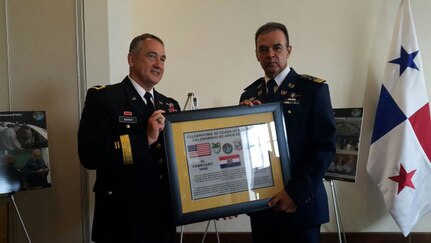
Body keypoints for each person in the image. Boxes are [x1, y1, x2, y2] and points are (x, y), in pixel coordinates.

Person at [78, 33, 180, 243]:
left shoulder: (170, 105)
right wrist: (145, 139)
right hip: (121, 220)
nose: (158, 64)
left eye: (162, 59)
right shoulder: (104, 98)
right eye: (151, 56)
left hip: (162, 221)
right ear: (131, 59)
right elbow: (90, 155)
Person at [239, 22, 336, 243]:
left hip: (301, 206)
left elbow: (325, 148)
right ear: (256, 54)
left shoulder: (313, 90)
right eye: (263, 49)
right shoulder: (249, 94)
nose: (270, 54)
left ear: (288, 50)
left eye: (277, 47)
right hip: (263, 207)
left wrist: (295, 194)